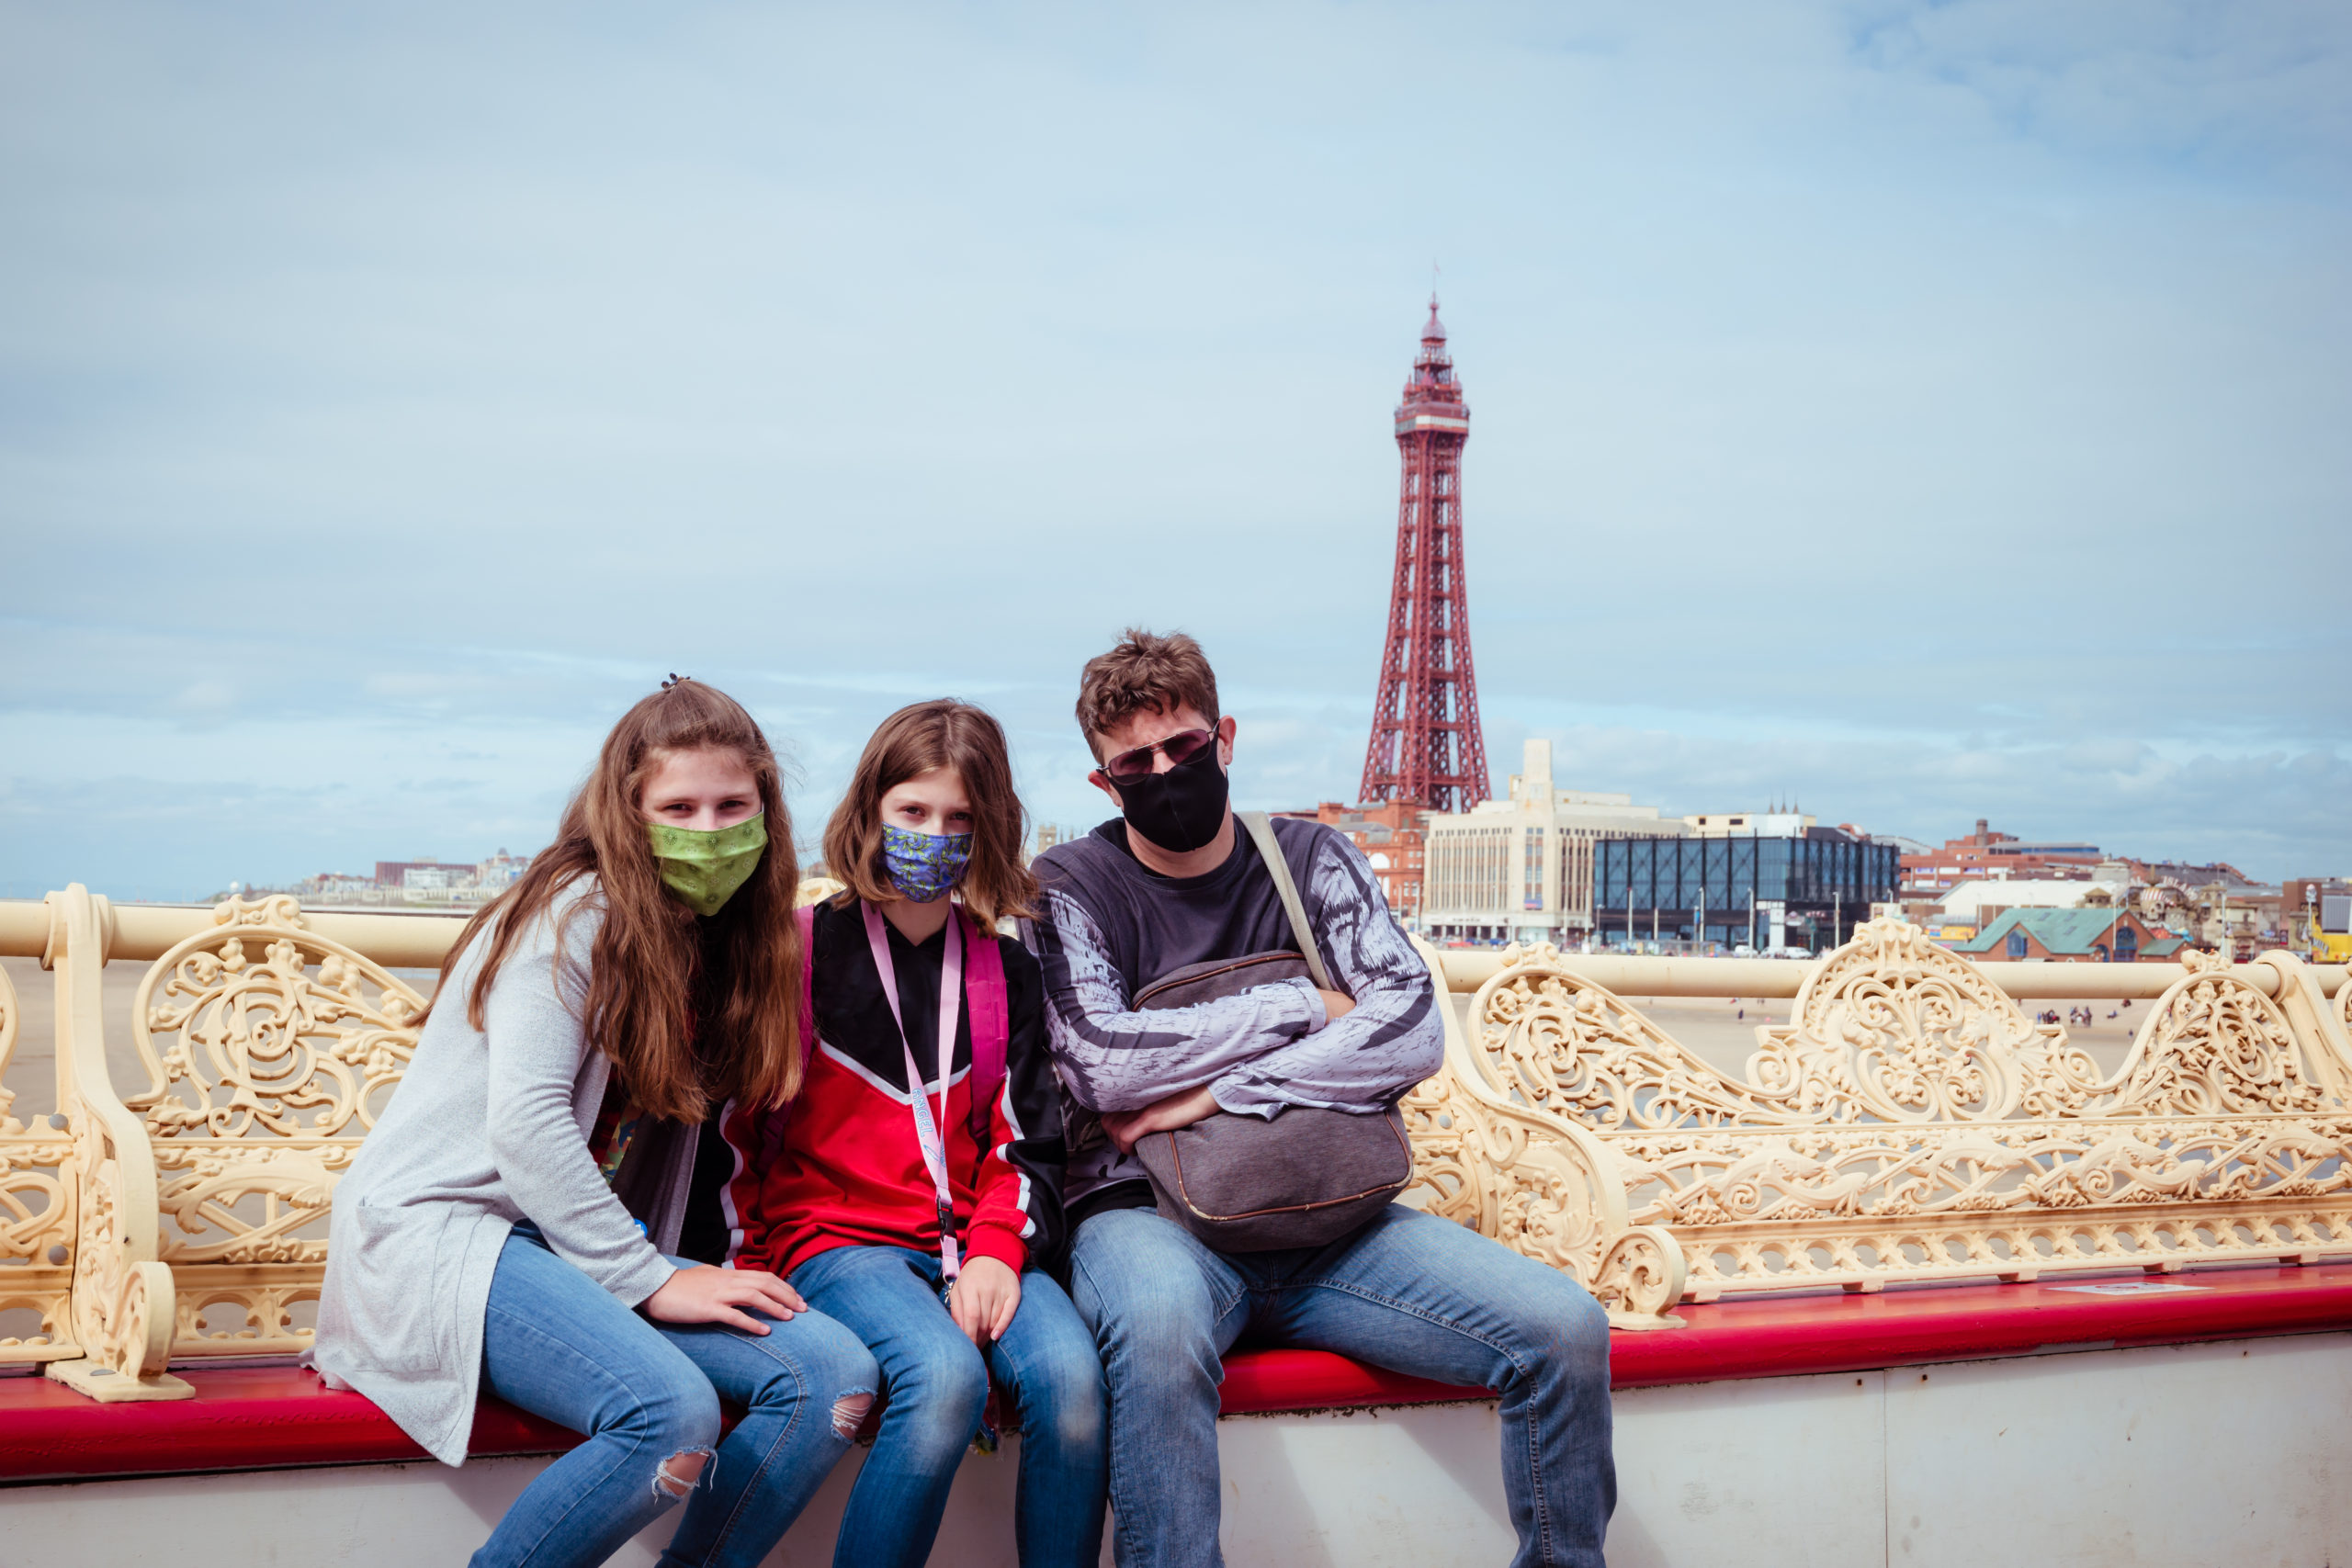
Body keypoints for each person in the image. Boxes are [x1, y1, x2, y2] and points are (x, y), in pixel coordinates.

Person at [1027, 630, 1615, 1568]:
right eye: (1134, 763)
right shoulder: (1069, 889)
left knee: (1563, 1330)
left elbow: (1411, 1029)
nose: (1165, 772)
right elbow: (1103, 1063)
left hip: (1335, 1218)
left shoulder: (1313, 858)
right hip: (1147, 1220)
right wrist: (1304, 1006)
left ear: (1223, 737)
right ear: (1103, 784)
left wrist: (1212, 1091)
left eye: (1182, 747)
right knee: (1160, 1330)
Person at [314, 679, 877, 1568]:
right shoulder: (572, 915)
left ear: (766, 808)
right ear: (628, 811)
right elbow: (529, 1124)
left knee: (830, 1379)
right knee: (670, 1418)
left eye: (733, 805)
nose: (708, 828)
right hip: (455, 1237)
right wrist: (649, 1277)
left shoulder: (721, 936)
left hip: (570, 1248)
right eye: (678, 806)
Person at [728, 699, 1108, 1568]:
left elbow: (1026, 1145)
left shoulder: (1004, 967)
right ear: (870, 810)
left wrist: (992, 1252)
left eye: (960, 820)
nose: (935, 835)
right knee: (942, 1380)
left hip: (968, 1242)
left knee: (1073, 1385)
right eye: (913, 811)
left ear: (990, 830)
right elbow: (740, 1132)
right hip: (833, 1243)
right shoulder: (795, 953)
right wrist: (743, 1264)